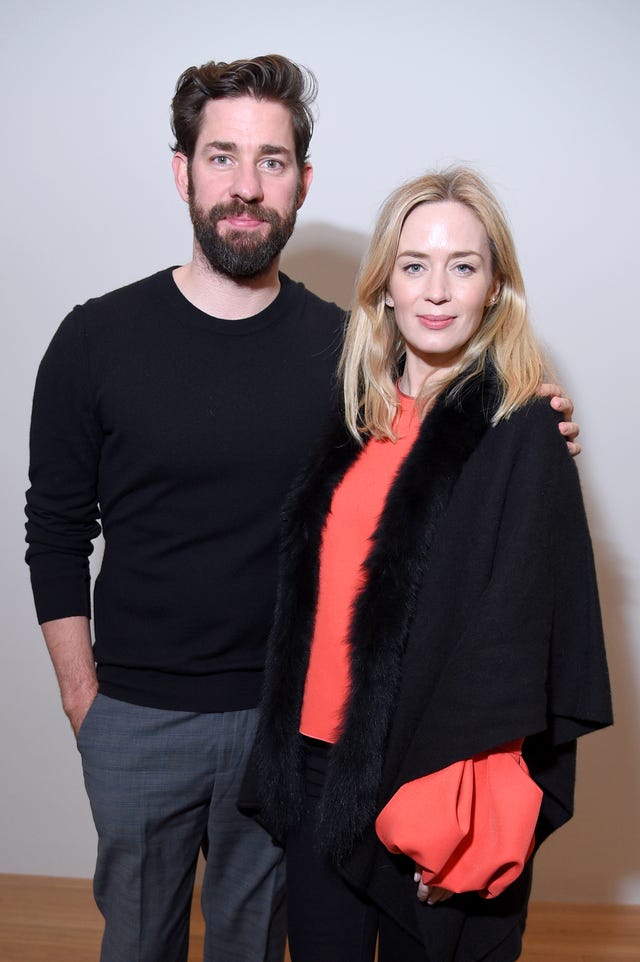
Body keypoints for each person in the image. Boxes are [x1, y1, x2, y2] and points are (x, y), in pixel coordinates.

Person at [25, 55, 579, 962]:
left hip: (283, 729)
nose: (246, 187)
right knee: (137, 943)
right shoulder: (95, 339)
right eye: (222, 157)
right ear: (182, 170)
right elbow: (53, 529)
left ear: (302, 180)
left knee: (260, 945)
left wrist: (527, 413)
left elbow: (438, 433)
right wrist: (86, 702)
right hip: (135, 713)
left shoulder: (345, 350)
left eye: (272, 162)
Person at [245, 167, 613, 962]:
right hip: (317, 768)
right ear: (384, 286)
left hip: (432, 781)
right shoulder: (348, 419)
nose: (437, 290)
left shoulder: (522, 430)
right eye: (414, 265)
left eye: (463, 265)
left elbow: (519, 642)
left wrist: (465, 810)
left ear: (494, 288)